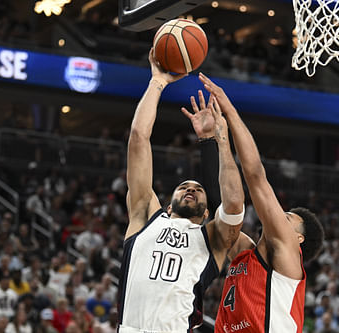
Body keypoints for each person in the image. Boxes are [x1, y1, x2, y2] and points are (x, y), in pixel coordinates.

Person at [118, 49, 245, 332]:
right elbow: (139, 138)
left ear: (207, 212)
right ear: (168, 205)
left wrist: (218, 139)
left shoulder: (211, 237)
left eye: (198, 189)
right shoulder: (144, 217)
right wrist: (157, 82)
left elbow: (234, 203)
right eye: (184, 187)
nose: (190, 188)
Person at [199, 73, 325, 333]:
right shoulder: (245, 252)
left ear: (298, 239)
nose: (279, 215)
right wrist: (218, 139)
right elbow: (227, 202)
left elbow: (255, 175)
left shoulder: (288, 253)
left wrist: (230, 111)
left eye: (287, 217)